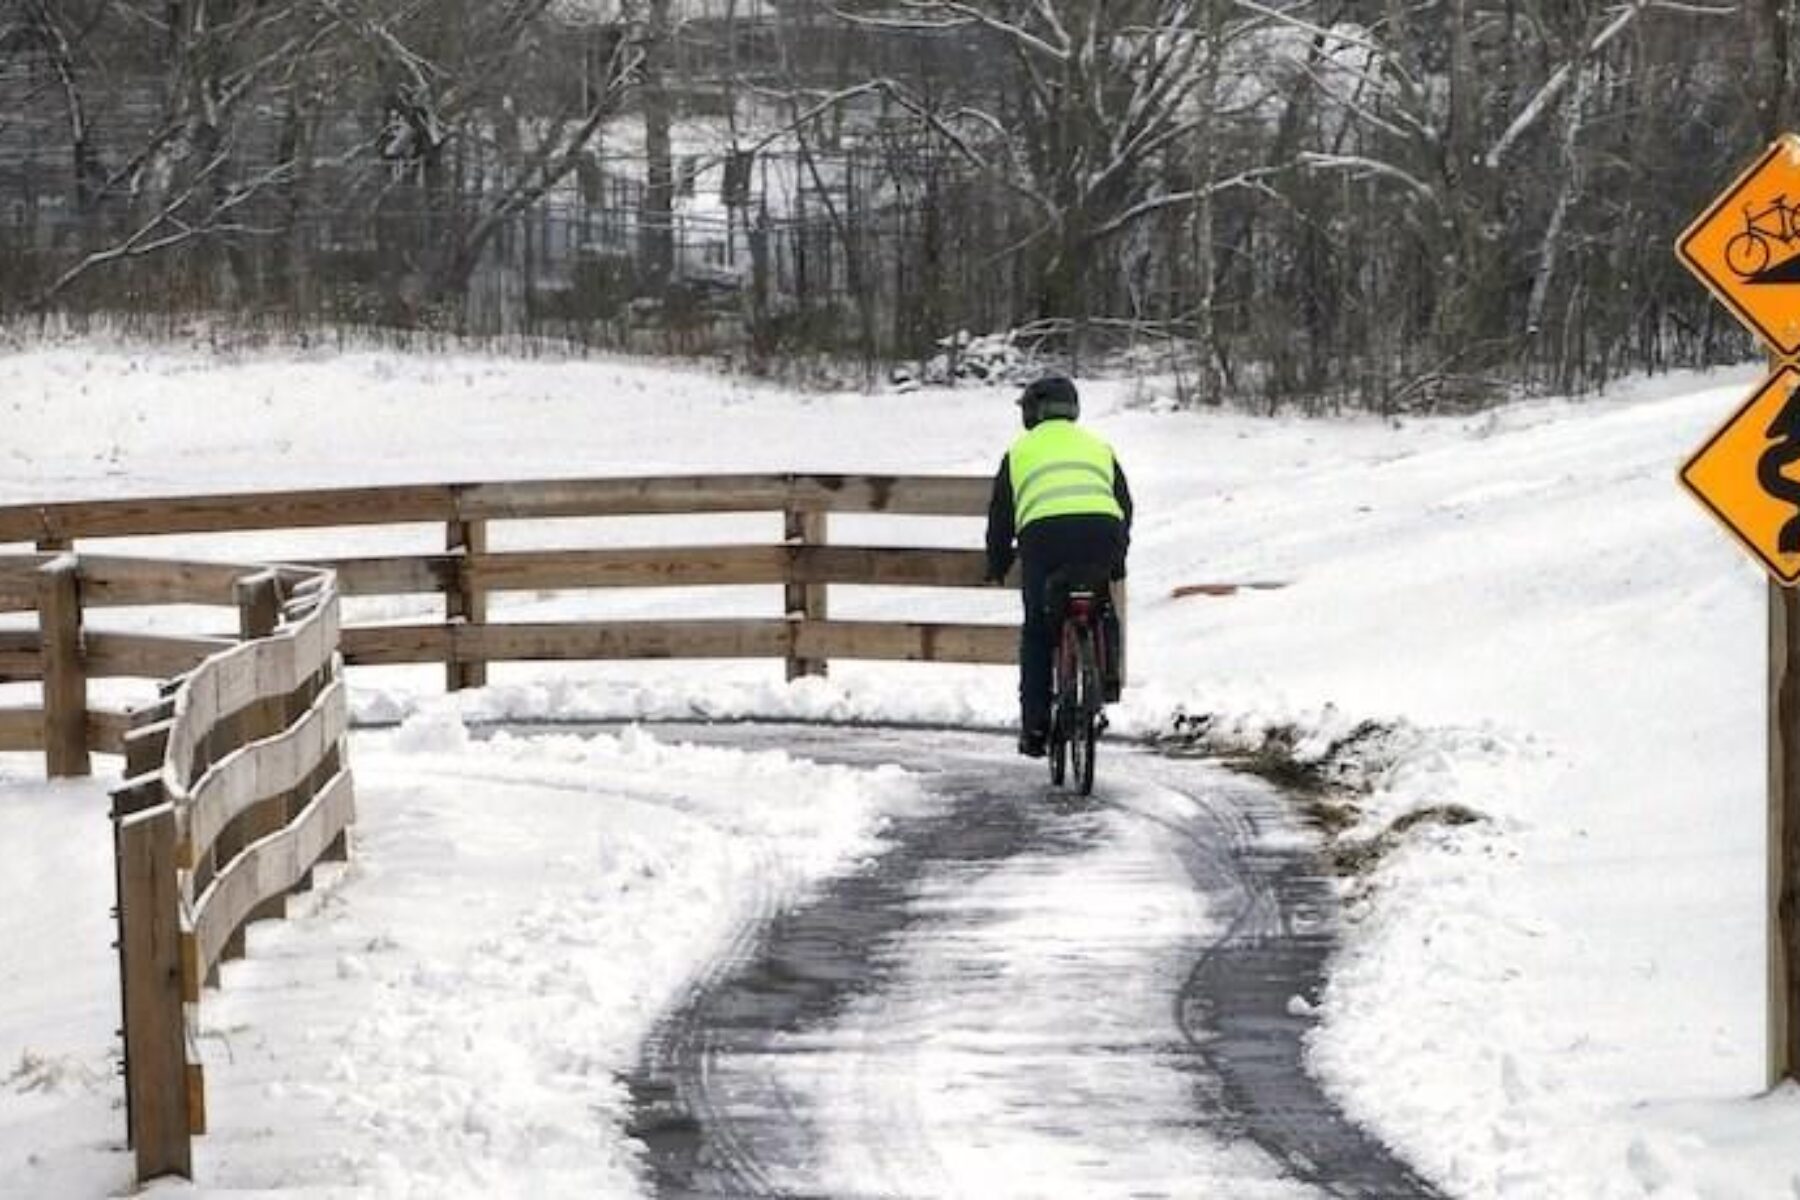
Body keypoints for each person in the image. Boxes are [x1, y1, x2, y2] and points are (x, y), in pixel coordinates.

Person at [984, 374, 1132, 758]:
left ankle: (1035, 727)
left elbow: (1001, 518)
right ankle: (1109, 679)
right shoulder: (1098, 447)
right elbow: (1124, 503)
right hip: (1102, 532)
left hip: (1044, 540)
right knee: (1102, 608)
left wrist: (998, 562)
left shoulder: (1019, 453)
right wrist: (1118, 556)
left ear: (1034, 412)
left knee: (1037, 631)